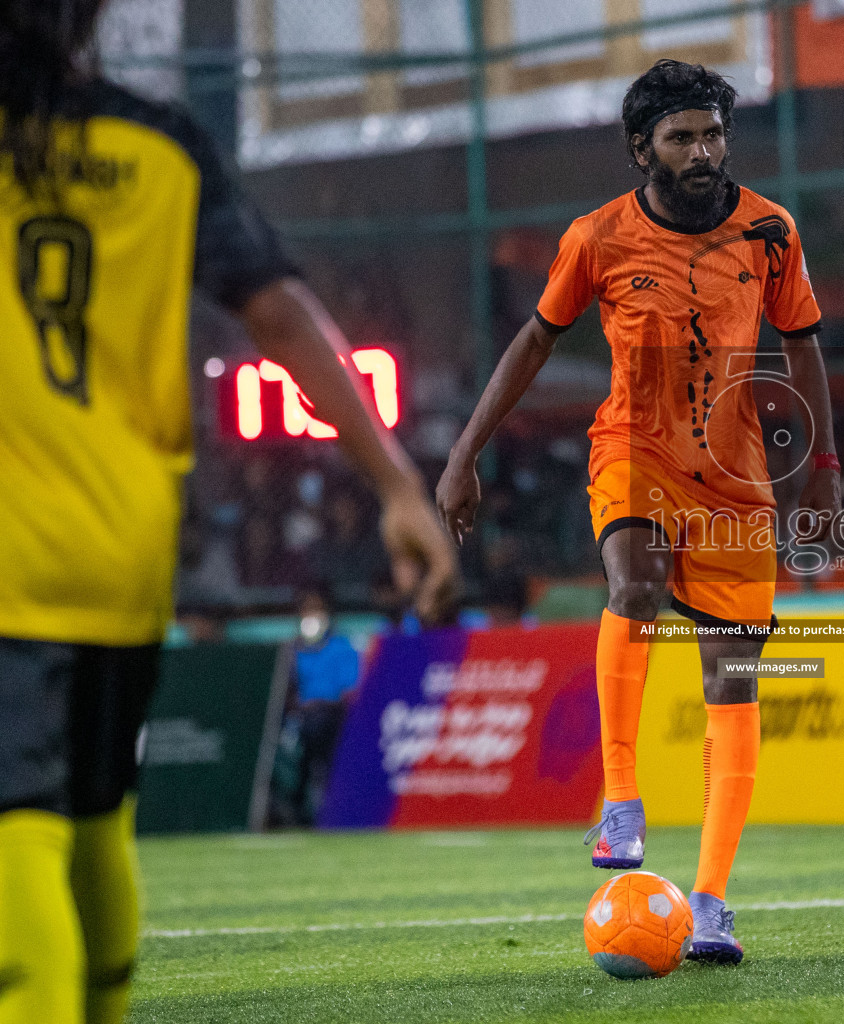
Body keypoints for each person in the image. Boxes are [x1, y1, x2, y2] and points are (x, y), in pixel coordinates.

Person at [0, 5, 460, 1022]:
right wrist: (393, 484)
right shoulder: (159, 147)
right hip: (123, 544)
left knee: (13, 825)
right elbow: (282, 313)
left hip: (9, 545)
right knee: (91, 818)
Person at [436, 60, 839, 965]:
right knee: (638, 587)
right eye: (681, 137)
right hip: (636, 448)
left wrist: (821, 467)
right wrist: (464, 454)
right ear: (640, 149)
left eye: (713, 134)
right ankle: (620, 799)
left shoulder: (771, 231)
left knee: (732, 679)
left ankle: (712, 904)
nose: (703, 151)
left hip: (736, 476)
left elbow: (803, 346)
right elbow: (533, 342)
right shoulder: (599, 237)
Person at [288, 589, 360, 826]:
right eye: (308, 609)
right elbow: (284, 691)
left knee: (320, 728)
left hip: (332, 717)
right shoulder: (290, 652)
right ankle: (298, 808)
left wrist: (322, 704)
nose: (313, 615)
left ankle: (324, 806)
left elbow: (350, 691)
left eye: (318, 609)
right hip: (299, 719)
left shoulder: (341, 647)